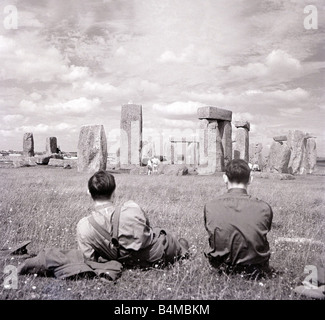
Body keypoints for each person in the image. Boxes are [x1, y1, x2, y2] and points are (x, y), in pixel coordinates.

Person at [76, 170, 189, 268]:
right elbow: (147, 235)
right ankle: (182, 250)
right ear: (114, 192)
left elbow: (90, 260)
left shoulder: (83, 226)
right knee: (170, 239)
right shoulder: (132, 208)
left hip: (123, 262)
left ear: (89, 193)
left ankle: (181, 248)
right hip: (154, 257)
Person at [203, 159, 274, 279]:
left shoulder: (210, 206)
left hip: (221, 267)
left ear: (225, 178)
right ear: (251, 179)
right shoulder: (264, 208)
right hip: (256, 268)